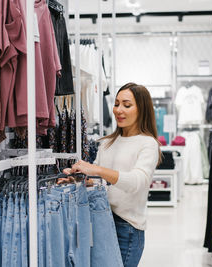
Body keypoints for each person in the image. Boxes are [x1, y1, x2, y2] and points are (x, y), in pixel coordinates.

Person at [61, 82, 161, 267]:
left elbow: (137, 182)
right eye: (116, 104)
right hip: (100, 220)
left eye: (127, 105)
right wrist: (75, 179)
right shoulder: (108, 142)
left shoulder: (147, 144)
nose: (118, 110)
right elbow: (98, 183)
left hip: (127, 228)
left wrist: (97, 169)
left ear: (142, 109)